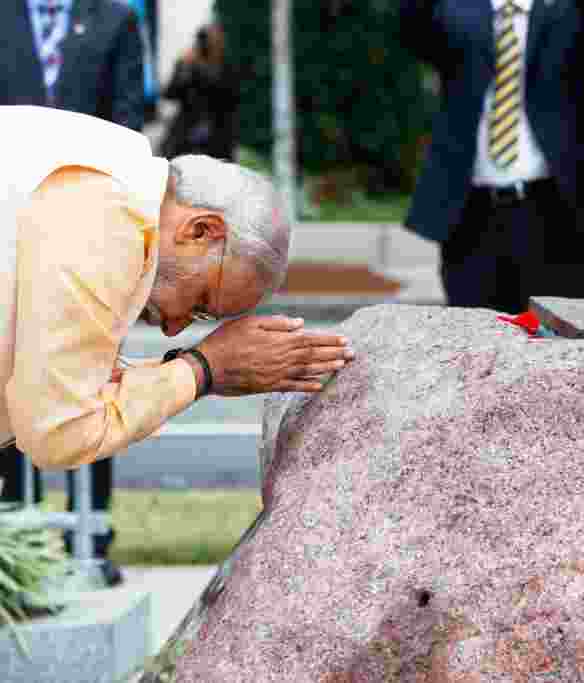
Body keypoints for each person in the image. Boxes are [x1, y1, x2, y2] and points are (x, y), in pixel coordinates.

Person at [0, 106, 354, 583]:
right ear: (201, 230)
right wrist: (205, 369)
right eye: (202, 304)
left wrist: (189, 368)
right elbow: (58, 430)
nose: (173, 328)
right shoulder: (109, 217)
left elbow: (52, 382)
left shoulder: (112, 175)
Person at [0, 0, 151, 583]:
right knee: (10, 380)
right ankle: (16, 535)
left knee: (91, 382)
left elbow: (126, 129)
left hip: (89, 245)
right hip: (8, 238)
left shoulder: (115, 22)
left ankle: (92, 534)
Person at [399, 0, 584, 315]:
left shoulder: (569, 12)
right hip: (472, 216)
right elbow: (412, 30)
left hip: (556, 212)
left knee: (558, 344)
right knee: (472, 344)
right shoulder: (453, 12)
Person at [158, 22, 240, 161]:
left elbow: (230, 99)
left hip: (217, 140)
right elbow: (170, 93)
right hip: (185, 137)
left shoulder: (226, 67)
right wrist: (184, 68)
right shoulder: (188, 64)